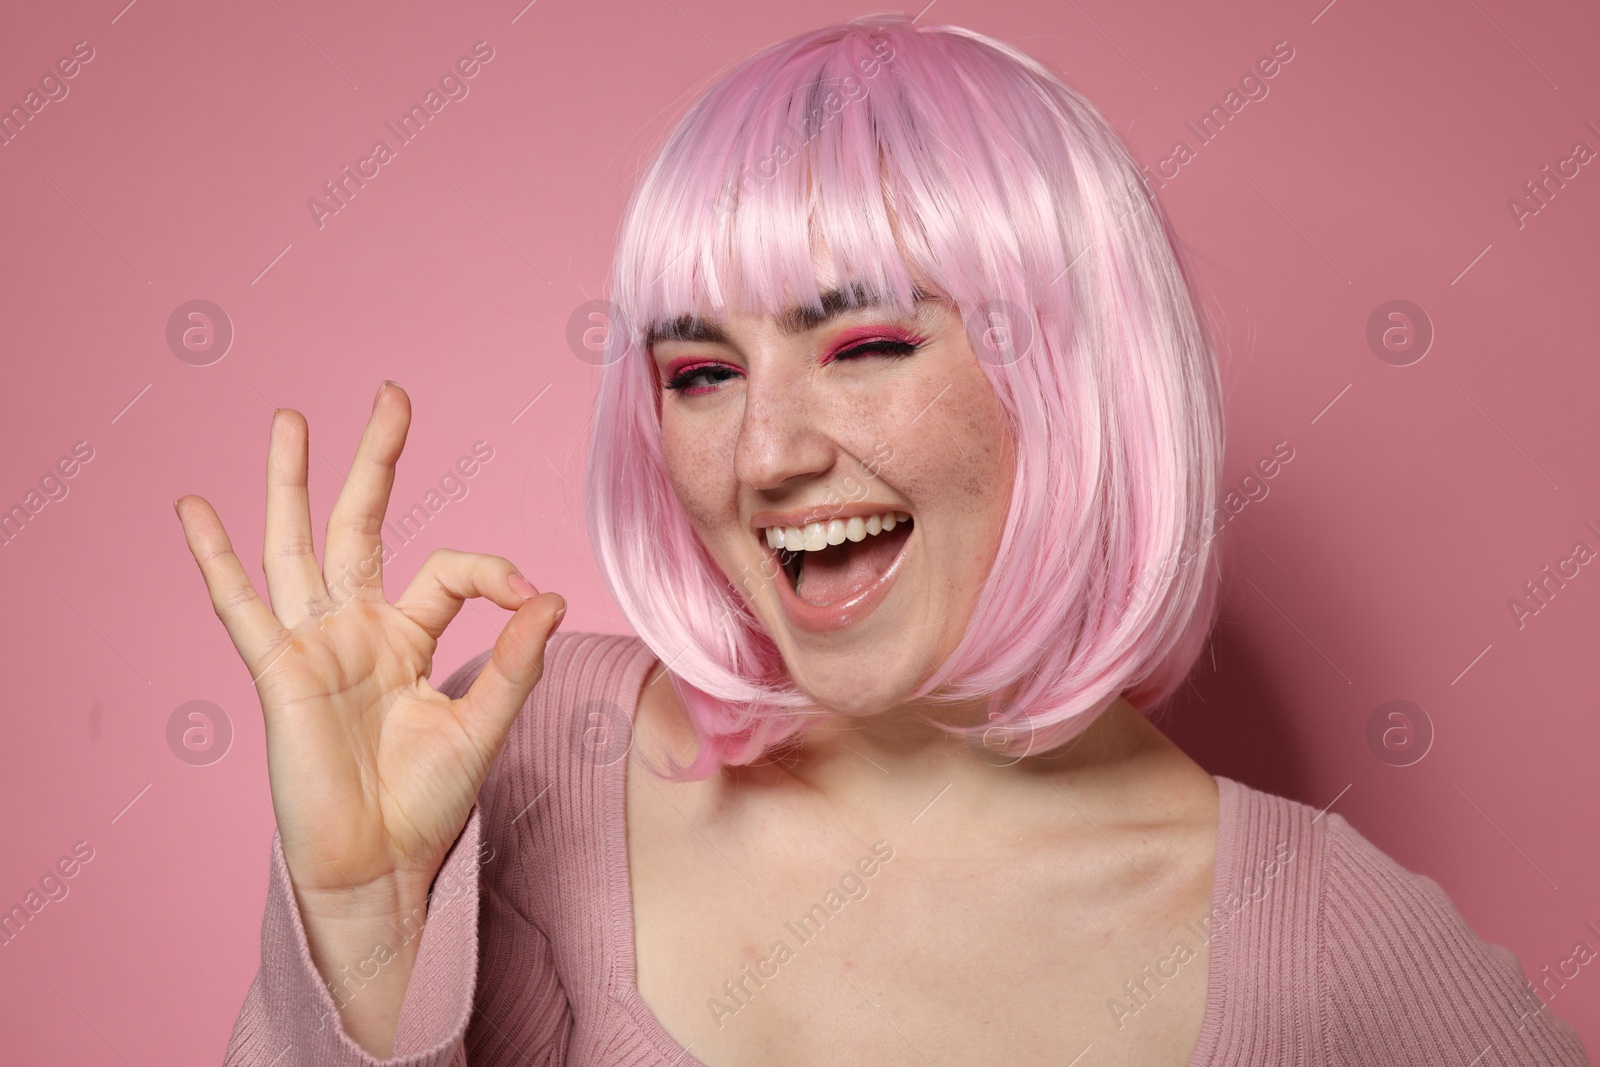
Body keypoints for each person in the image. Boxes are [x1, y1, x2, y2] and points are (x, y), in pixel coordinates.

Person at [180, 14, 1593, 1067]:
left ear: (1073, 372)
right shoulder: (520, 760)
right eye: (699, 373)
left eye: (862, 344)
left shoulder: (1328, 949)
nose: (768, 455)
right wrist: (361, 939)